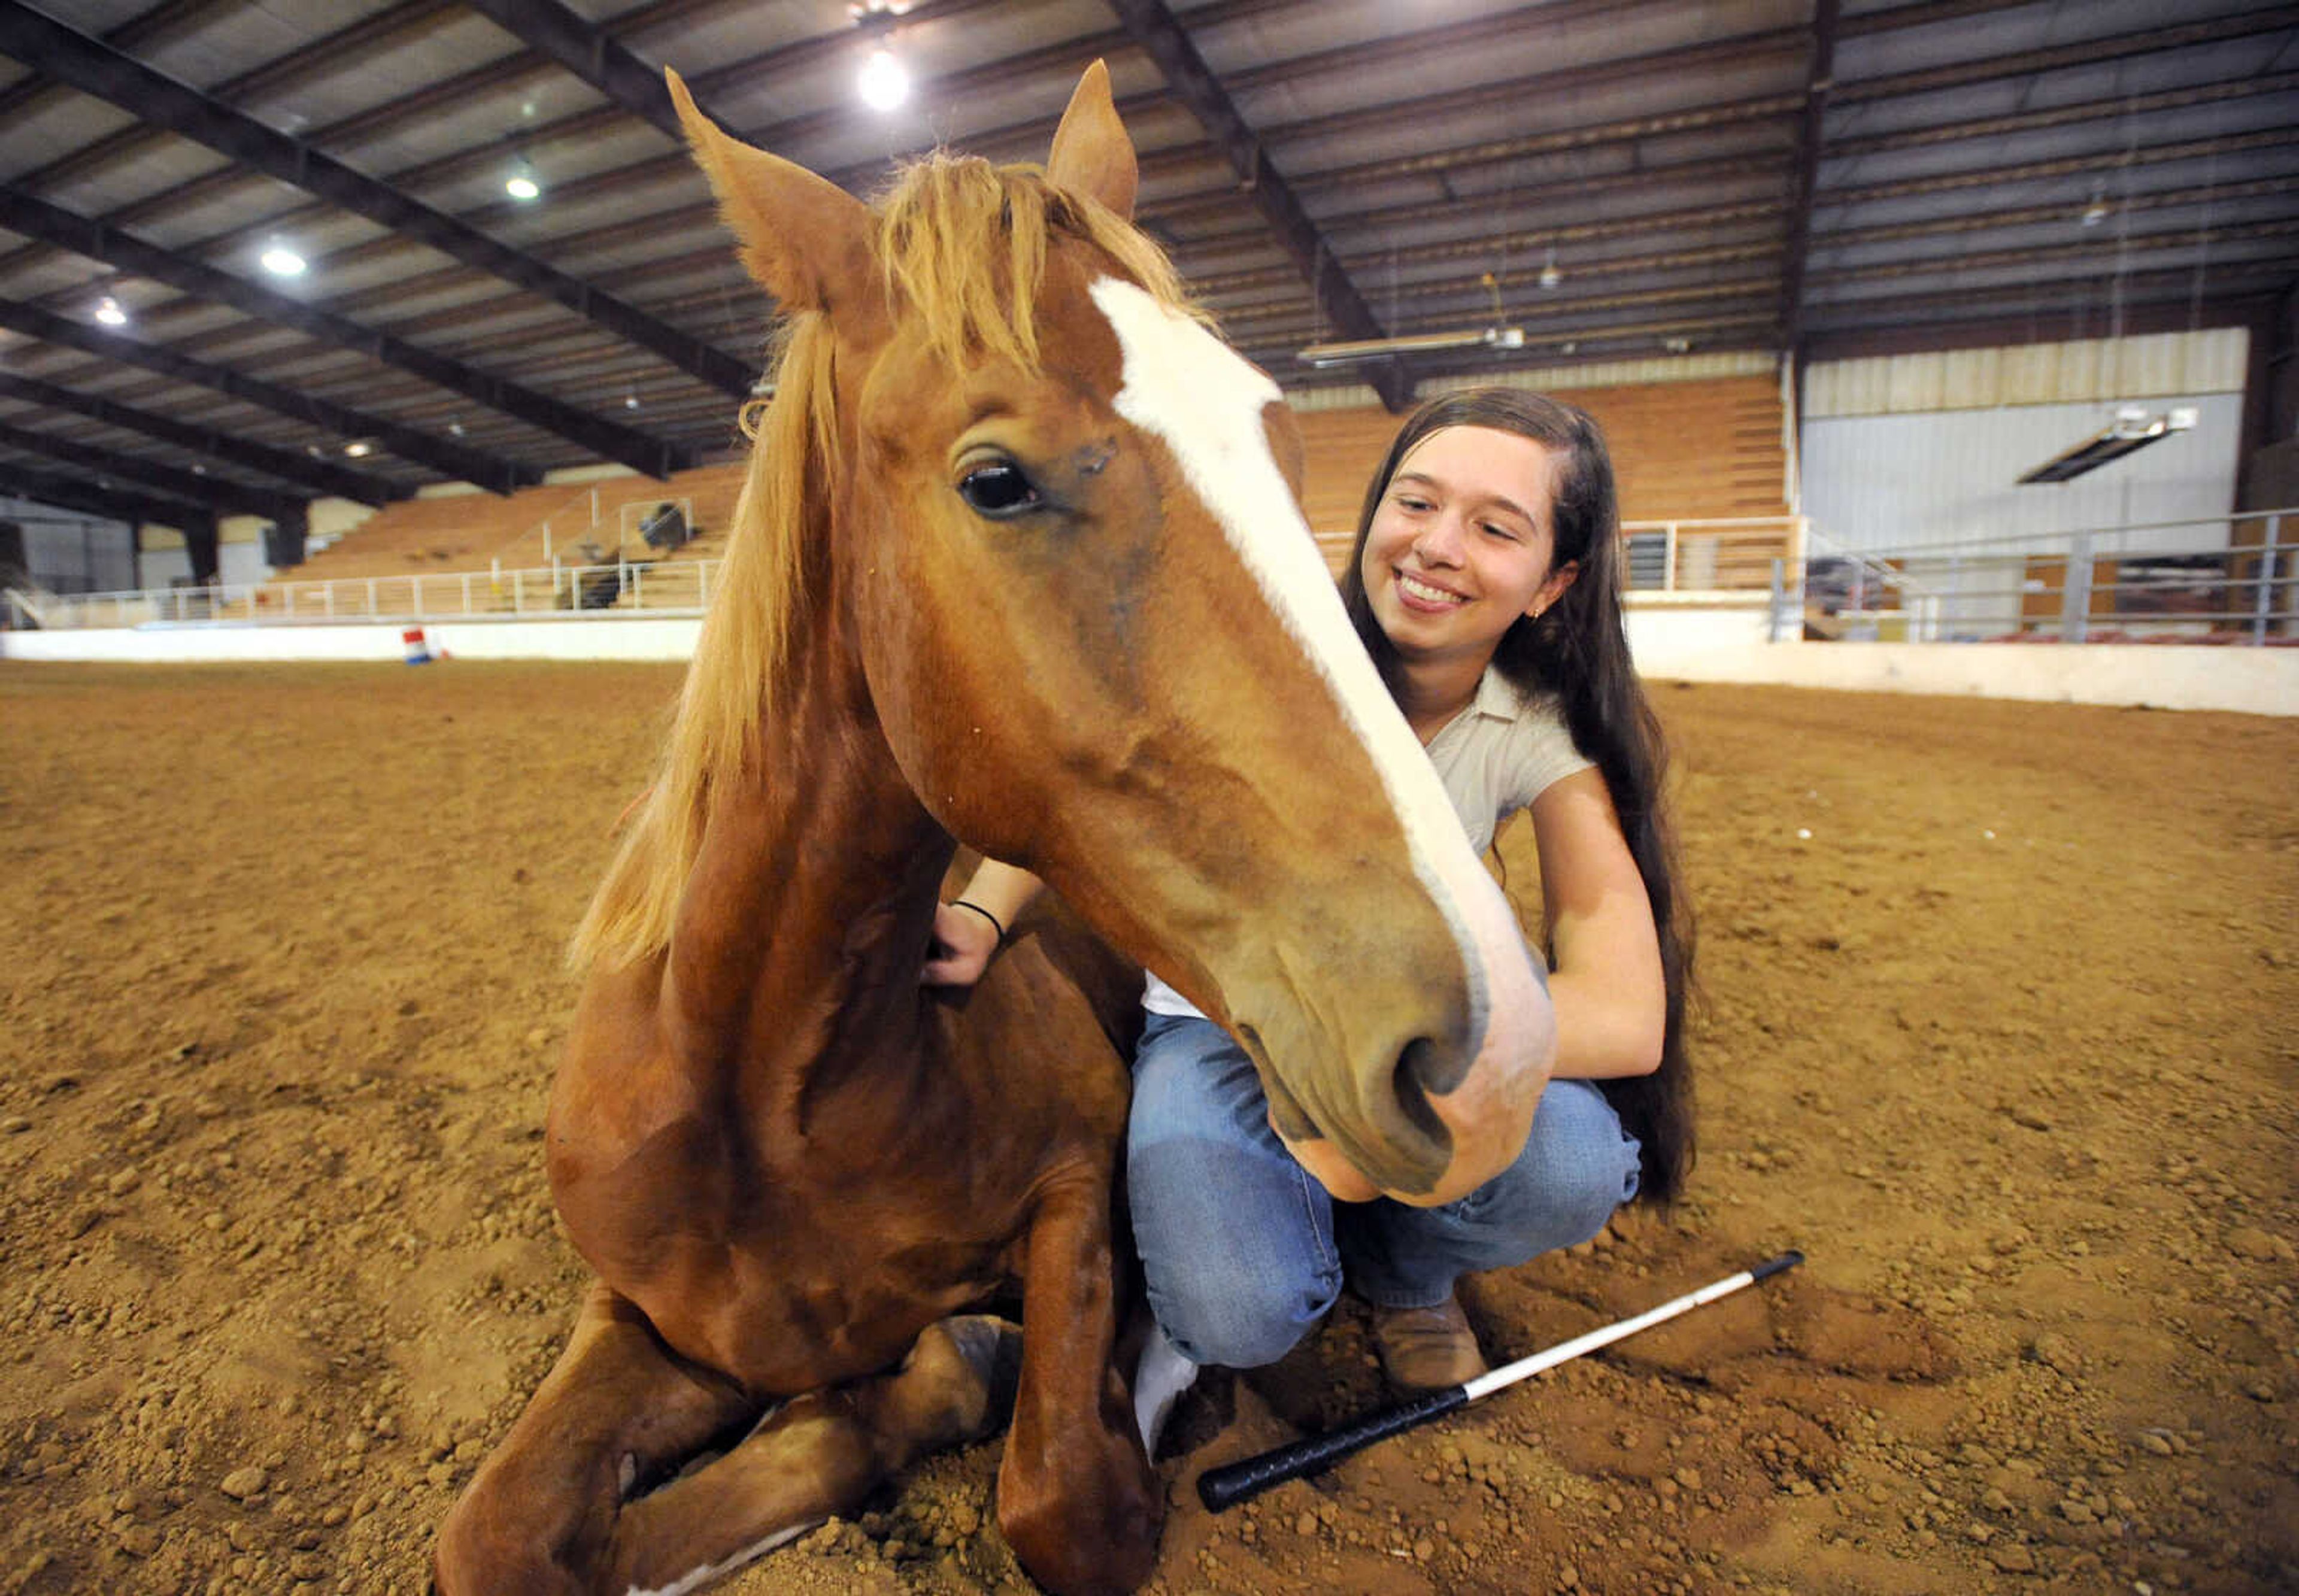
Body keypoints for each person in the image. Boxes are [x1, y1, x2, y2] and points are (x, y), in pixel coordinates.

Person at [924, 387, 1694, 1451]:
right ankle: (1304, 1236)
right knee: (1237, 1307)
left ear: (1555, 583)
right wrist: (977, 908)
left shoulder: (1537, 727)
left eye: (1494, 527)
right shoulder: (1249, 644)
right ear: (1373, 512)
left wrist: (1386, 1085)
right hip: (1223, 1023)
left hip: (1404, 1023)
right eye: (1415, 503)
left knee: (1573, 1164)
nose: (1435, 546)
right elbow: (1090, 775)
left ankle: (1405, 1273)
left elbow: (1625, 1014)